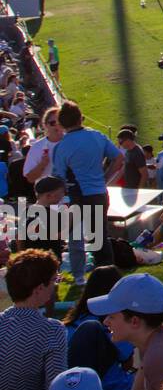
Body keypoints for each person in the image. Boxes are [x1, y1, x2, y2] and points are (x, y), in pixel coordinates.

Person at [87, 272, 163, 390]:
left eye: (111, 316)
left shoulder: (160, 355)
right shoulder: (158, 339)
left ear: (135, 321)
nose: (105, 322)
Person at [49, 100, 123, 283]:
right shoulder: (97, 135)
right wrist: (105, 178)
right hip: (99, 192)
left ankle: (82, 276)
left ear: (62, 123)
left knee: (76, 236)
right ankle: (107, 274)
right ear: (79, 118)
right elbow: (119, 158)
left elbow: (58, 175)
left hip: (77, 194)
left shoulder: (62, 146)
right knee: (100, 236)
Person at [0, 249, 66, 390]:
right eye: (54, 280)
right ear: (39, 289)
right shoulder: (52, 330)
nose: (55, 286)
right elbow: (56, 388)